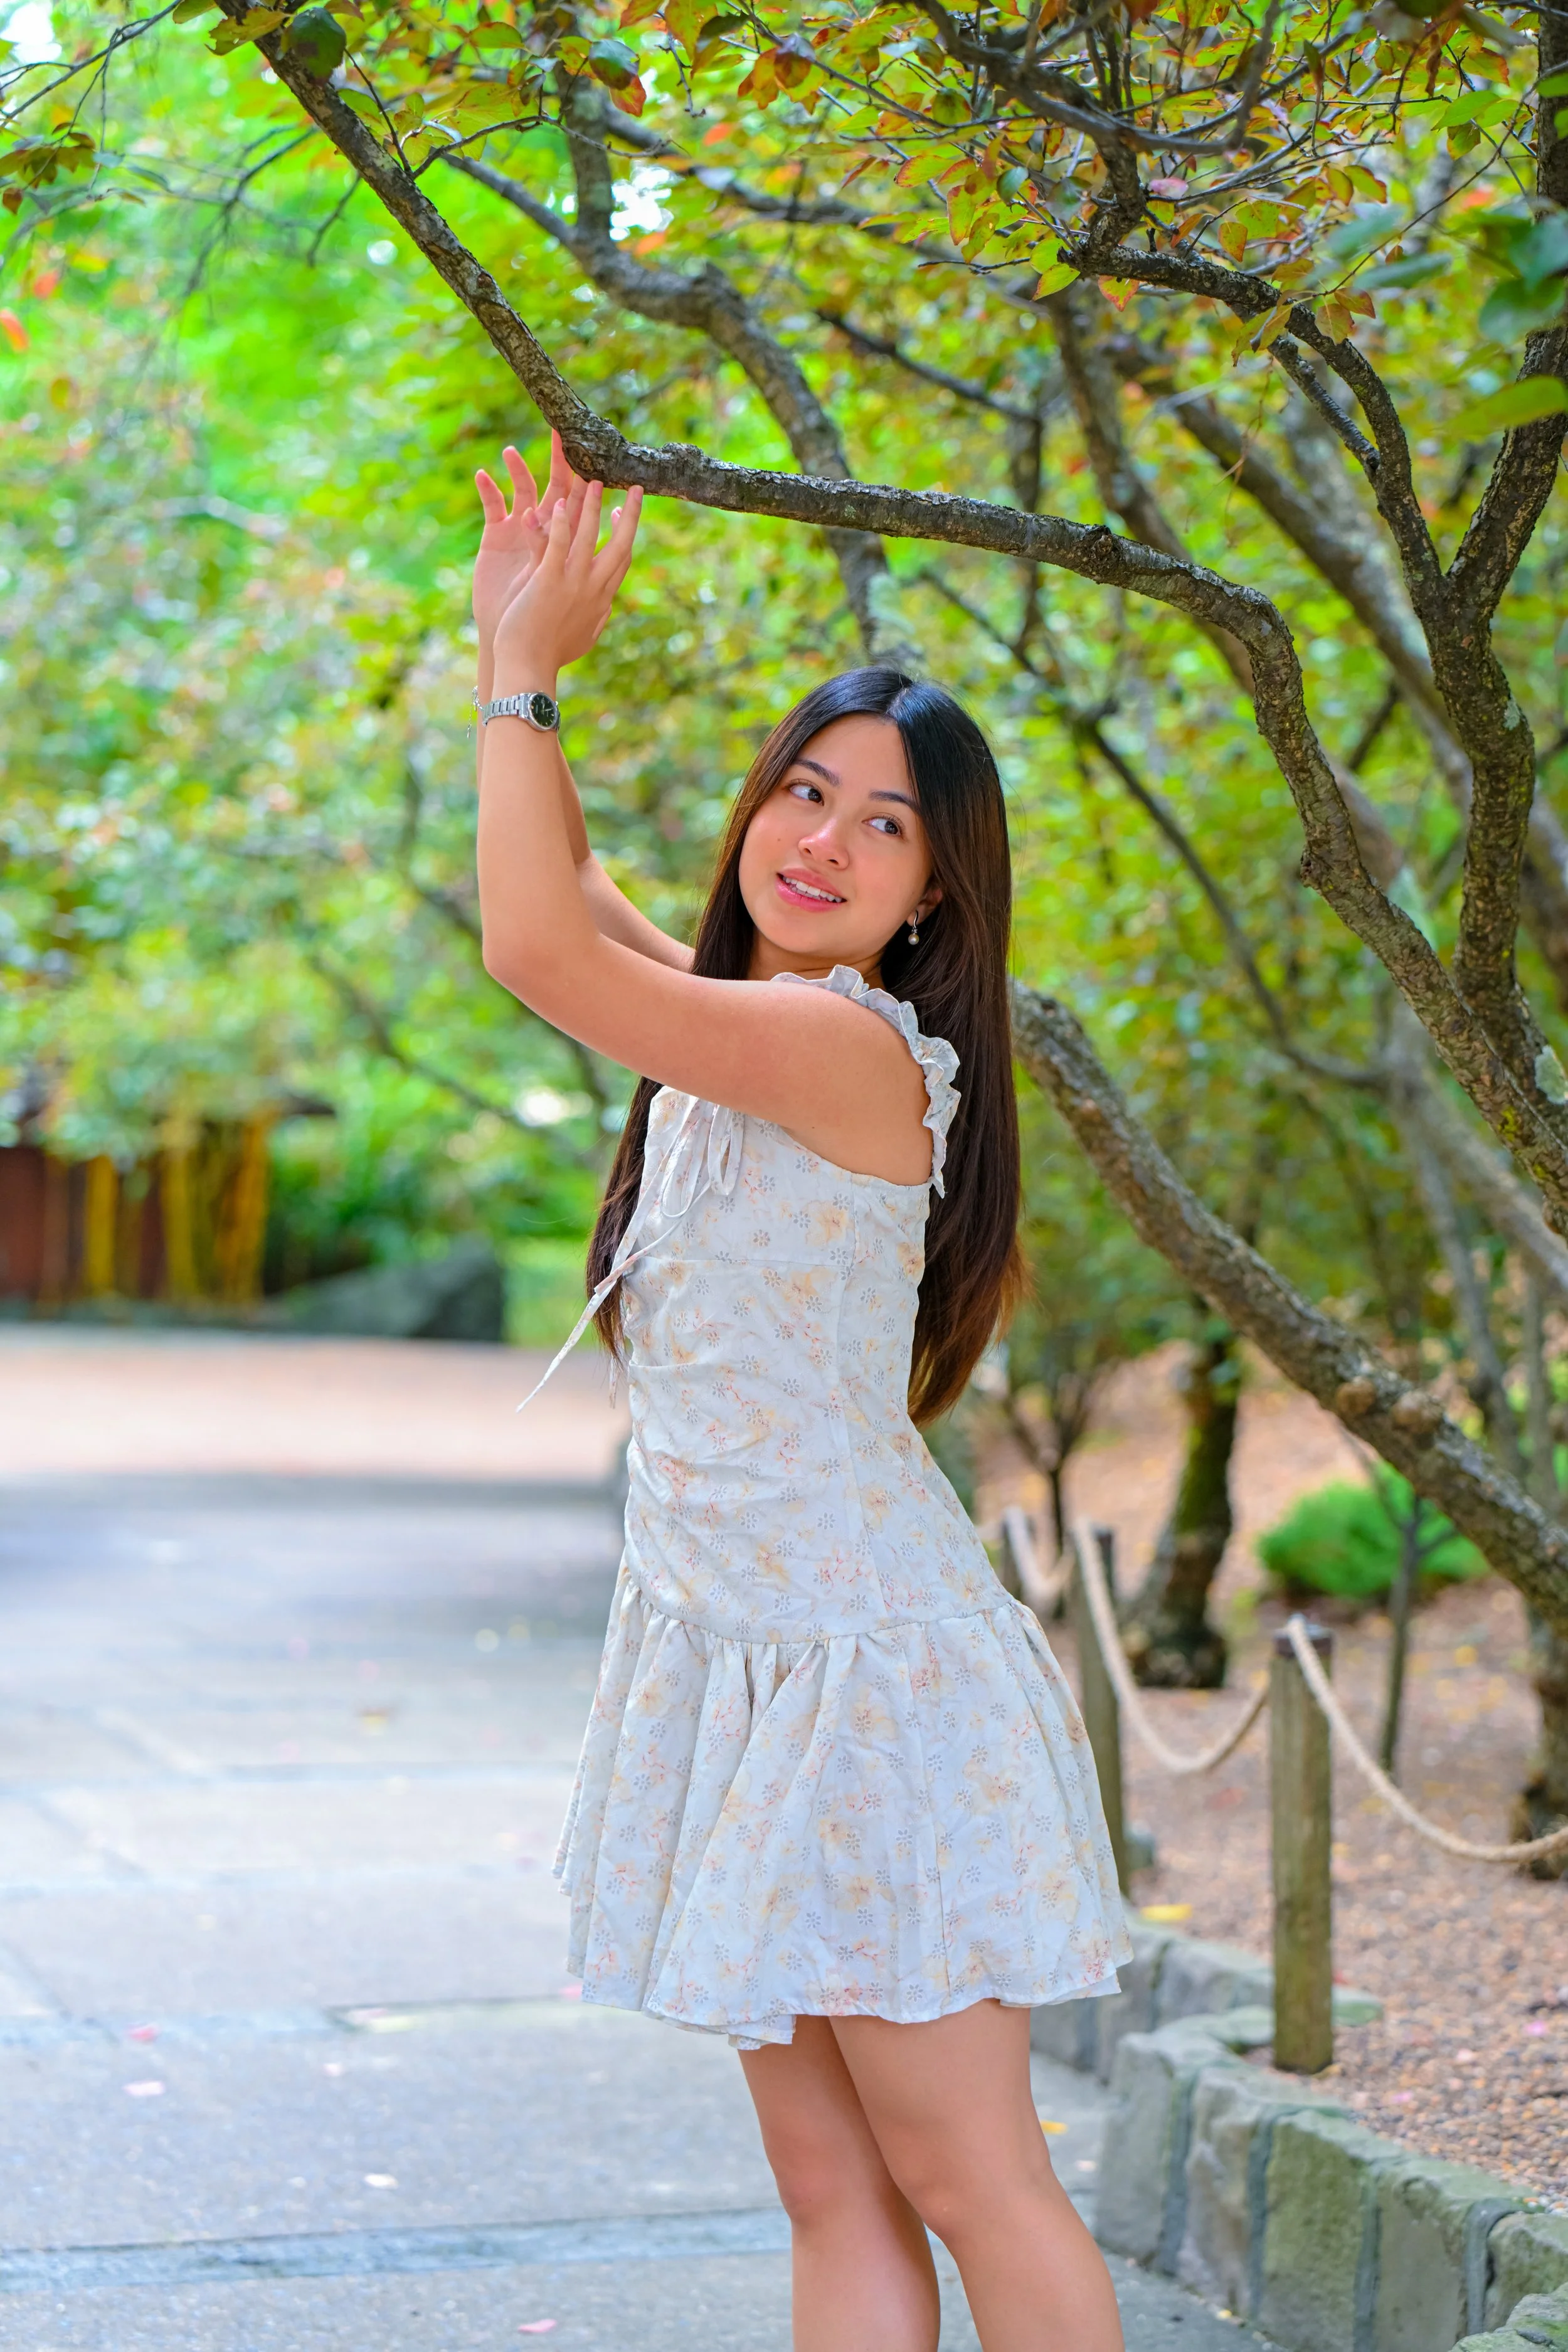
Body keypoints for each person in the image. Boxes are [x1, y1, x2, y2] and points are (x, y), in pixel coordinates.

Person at [472, 434, 1131, 2352]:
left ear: (934, 896)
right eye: (805, 788)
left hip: (867, 1687)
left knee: (967, 2176)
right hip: (756, 1665)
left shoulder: (844, 1053)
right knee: (833, 2189)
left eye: (887, 824)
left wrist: (528, 686)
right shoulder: (731, 1016)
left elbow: (528, 940)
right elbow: (563, 881)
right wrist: (505, 657)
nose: (822, 837)